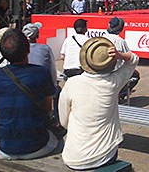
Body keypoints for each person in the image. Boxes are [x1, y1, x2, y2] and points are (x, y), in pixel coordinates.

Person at [58, 37, 139, 170]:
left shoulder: (72, 83)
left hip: (72, 157)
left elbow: (64, 121)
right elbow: (133, 59)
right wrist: (119, 55)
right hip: (103, 156)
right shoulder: (113, 82)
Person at [0, 29, 58, 159]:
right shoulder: (41, 73)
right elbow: (48, 108)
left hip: (5, 148)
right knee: (59, 139)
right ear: (28, 49)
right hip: (37, 146)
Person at [105, 17, 140, 103]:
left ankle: (119, 93)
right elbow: (129, 57)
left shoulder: (102, 37)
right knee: (135, 75)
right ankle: (120, 93)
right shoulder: (120, 41)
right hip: (115, 73)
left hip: (101, 71)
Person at [22, 22, 57, 87]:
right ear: (37, 35)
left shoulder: (19, 49)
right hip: (41, 85)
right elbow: (52, 68)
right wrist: (54, 85)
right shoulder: (45, 49)